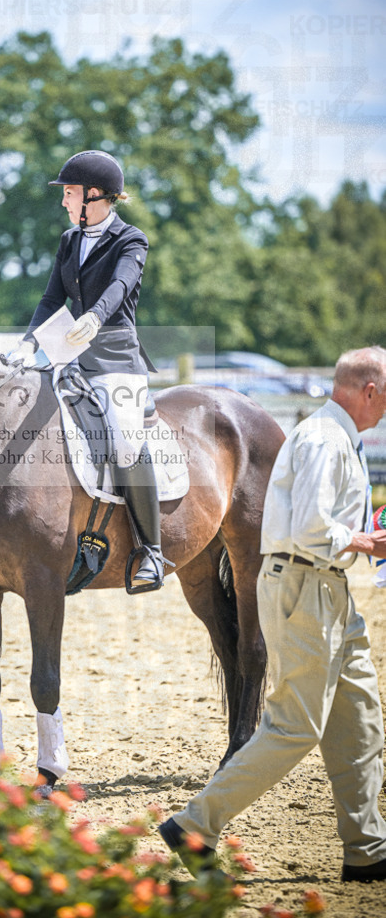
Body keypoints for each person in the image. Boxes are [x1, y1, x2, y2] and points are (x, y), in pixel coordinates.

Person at [159, 346, 386, 883]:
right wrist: (365, 542)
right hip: (305, 584)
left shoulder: (339, 440)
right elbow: (311, 529)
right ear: (370, 391)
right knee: (294, 727)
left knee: (360, 718)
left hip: (331, 591)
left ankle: (367, 849)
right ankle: (195, 825)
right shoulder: (324, 441)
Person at [10, 149, 166, 587]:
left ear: (95, 195)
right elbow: (49, 299)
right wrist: (27, 344)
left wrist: (95, 317)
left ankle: (151, 551)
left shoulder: (131, 240)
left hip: (116, 361)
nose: (64, 201)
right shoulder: (69, 240)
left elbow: (120, 286)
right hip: (70, 356)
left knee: (125, 442)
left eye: (71, 193)